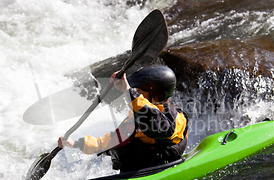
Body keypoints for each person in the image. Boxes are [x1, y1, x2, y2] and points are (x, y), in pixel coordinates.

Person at [58, 65, 189, 173]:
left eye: (140, 90)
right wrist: (75, 144)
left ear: (155, 93)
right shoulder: (136, 116)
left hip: (160, 169)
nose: (137, 92)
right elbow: (110, 141)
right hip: (134, 173)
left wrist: (129, 91)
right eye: (135, 90)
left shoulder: (175, 117)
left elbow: (158, 127)